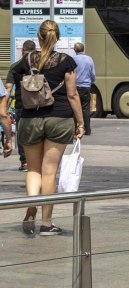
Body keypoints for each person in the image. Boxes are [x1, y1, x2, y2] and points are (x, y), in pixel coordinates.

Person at [11, 20, 84, 236]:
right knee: (49, 171)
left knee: (33, 169)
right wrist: (80, 122)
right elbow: (72, 94)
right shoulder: (66, 61)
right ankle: (46, 223)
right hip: (59, 118)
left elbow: (16, 83)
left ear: (38, 36)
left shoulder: (26, 59)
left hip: (30, 118)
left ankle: (32, 206)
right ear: (57, 37)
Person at [6, 39, 35, 170]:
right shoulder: (40, 66)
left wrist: (4, 107)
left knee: (22, 133)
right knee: (36, 132)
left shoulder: (15, 66)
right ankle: (36, 160)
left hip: (20, 104)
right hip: (38, 104)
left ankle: (25, 162)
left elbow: (8, 88)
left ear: (22, 50)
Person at [72, 42, 96, 136]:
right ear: (83, 49)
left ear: (74, 50)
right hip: (86, 87)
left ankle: (74, 129)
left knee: (75, 108)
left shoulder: (73, 60)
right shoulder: (89, 59)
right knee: (85, 109)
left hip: (76, 87)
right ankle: (87, 130)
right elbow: (93, 74)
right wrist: (91, 81)